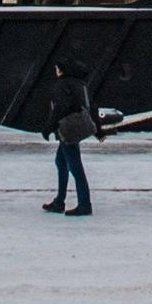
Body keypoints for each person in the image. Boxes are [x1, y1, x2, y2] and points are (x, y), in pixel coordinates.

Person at [39, 59, 100, 217]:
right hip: (76, 128)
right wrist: (98, 129)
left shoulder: (63, 84)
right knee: (61, 162)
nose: (56, 71)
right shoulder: (80, 83)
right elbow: (91, 105)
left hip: (67, 129)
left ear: (62, 70)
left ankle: (84, 204)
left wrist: (49, 127)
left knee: (75, 166)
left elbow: (60, 107)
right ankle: (59, 201)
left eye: (57, 68)